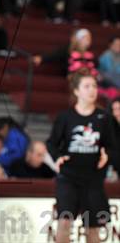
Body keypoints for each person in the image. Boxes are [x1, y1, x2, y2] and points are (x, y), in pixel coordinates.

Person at [46, 68, 116, 243]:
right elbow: (51, 143)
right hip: (68, 177)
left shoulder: (105, 118)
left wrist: (107, 155)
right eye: (87, 86)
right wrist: (57, 157)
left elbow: (114, 146)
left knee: (92, 230)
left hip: (93, 179)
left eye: (94, 86)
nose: (92, 90)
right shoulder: (65, 117)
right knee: (64, 224)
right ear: (76, 91)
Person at [33, 28, 97, 77]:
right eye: (86, 38)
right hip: (73, 75)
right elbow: (55, 55)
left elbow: (95, 65)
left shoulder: (90, 53)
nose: (88, 40)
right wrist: (42, 58)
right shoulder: (68, 49)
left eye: (89, 38)